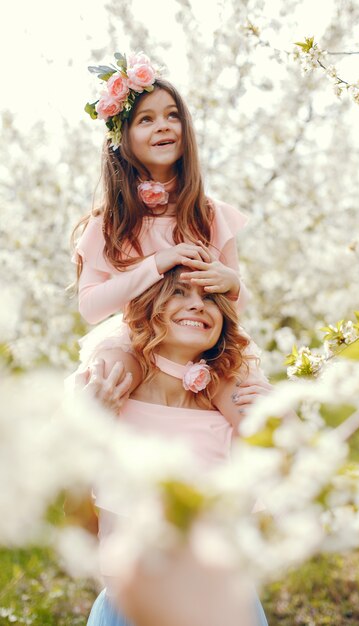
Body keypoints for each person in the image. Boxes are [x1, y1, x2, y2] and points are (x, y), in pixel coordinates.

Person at [73, 50, 269, 411]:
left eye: (172, 116)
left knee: (250, 404)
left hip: (201, 346)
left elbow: (231, 307)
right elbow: (90, 307)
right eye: (146, 119)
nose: (163, 125)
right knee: (103, 384)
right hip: (138, 342)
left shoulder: (209, 214)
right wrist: (158, 263)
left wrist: (232, 283)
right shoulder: (109, 223)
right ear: (123, 138)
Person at [83, 266, 269, 626]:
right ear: (149, 307)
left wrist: (272, 419)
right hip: (130, 606)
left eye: (210, 298)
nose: (198, 305)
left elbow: (246, 510)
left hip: (218, 605)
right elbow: (76, 491)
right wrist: (91, 420)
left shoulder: (229, 407)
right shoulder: (115, 393)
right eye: (179, 293)